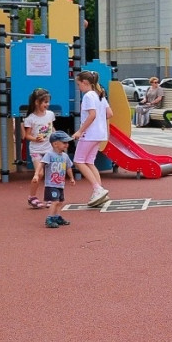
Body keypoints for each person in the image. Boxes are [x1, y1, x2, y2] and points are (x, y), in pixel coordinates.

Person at [70, 70, 111, 208]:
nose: (78, 87)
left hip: (89, 134)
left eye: (79, 84)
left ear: (85, 82)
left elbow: (92, 115)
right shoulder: (100, 95)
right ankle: (99, 190)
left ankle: (97, 189)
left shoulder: (88, 96)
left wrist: (80, 131)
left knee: (78, 160)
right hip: (99, 133)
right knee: (89, 161)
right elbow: (109, 113)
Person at [23, 88, 57, 208]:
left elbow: (52, 128)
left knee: (51, 173)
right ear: (37, 102)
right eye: (45, 102)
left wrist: (56, 137)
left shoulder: (50, 114)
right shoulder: (30, 119)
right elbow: (27, 135)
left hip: (49, 149)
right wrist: (35, 139)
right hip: (36, 150)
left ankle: (50, 197)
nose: (47, 104)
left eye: (48, 102)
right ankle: (32, 196)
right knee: (40, 173)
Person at [38, 131, 76, 228]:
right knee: (54, 201)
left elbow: (68, 167)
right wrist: (36, 174)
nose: (67, 145)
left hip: (60, 184)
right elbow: (41, 163)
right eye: (64, 142)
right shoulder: (49, 154)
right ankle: (49, 218)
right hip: (51, 184)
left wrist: (71, 178)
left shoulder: (65, 156)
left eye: (67, 143)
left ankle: (57, 217)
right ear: (55, 144)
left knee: (60, 201)